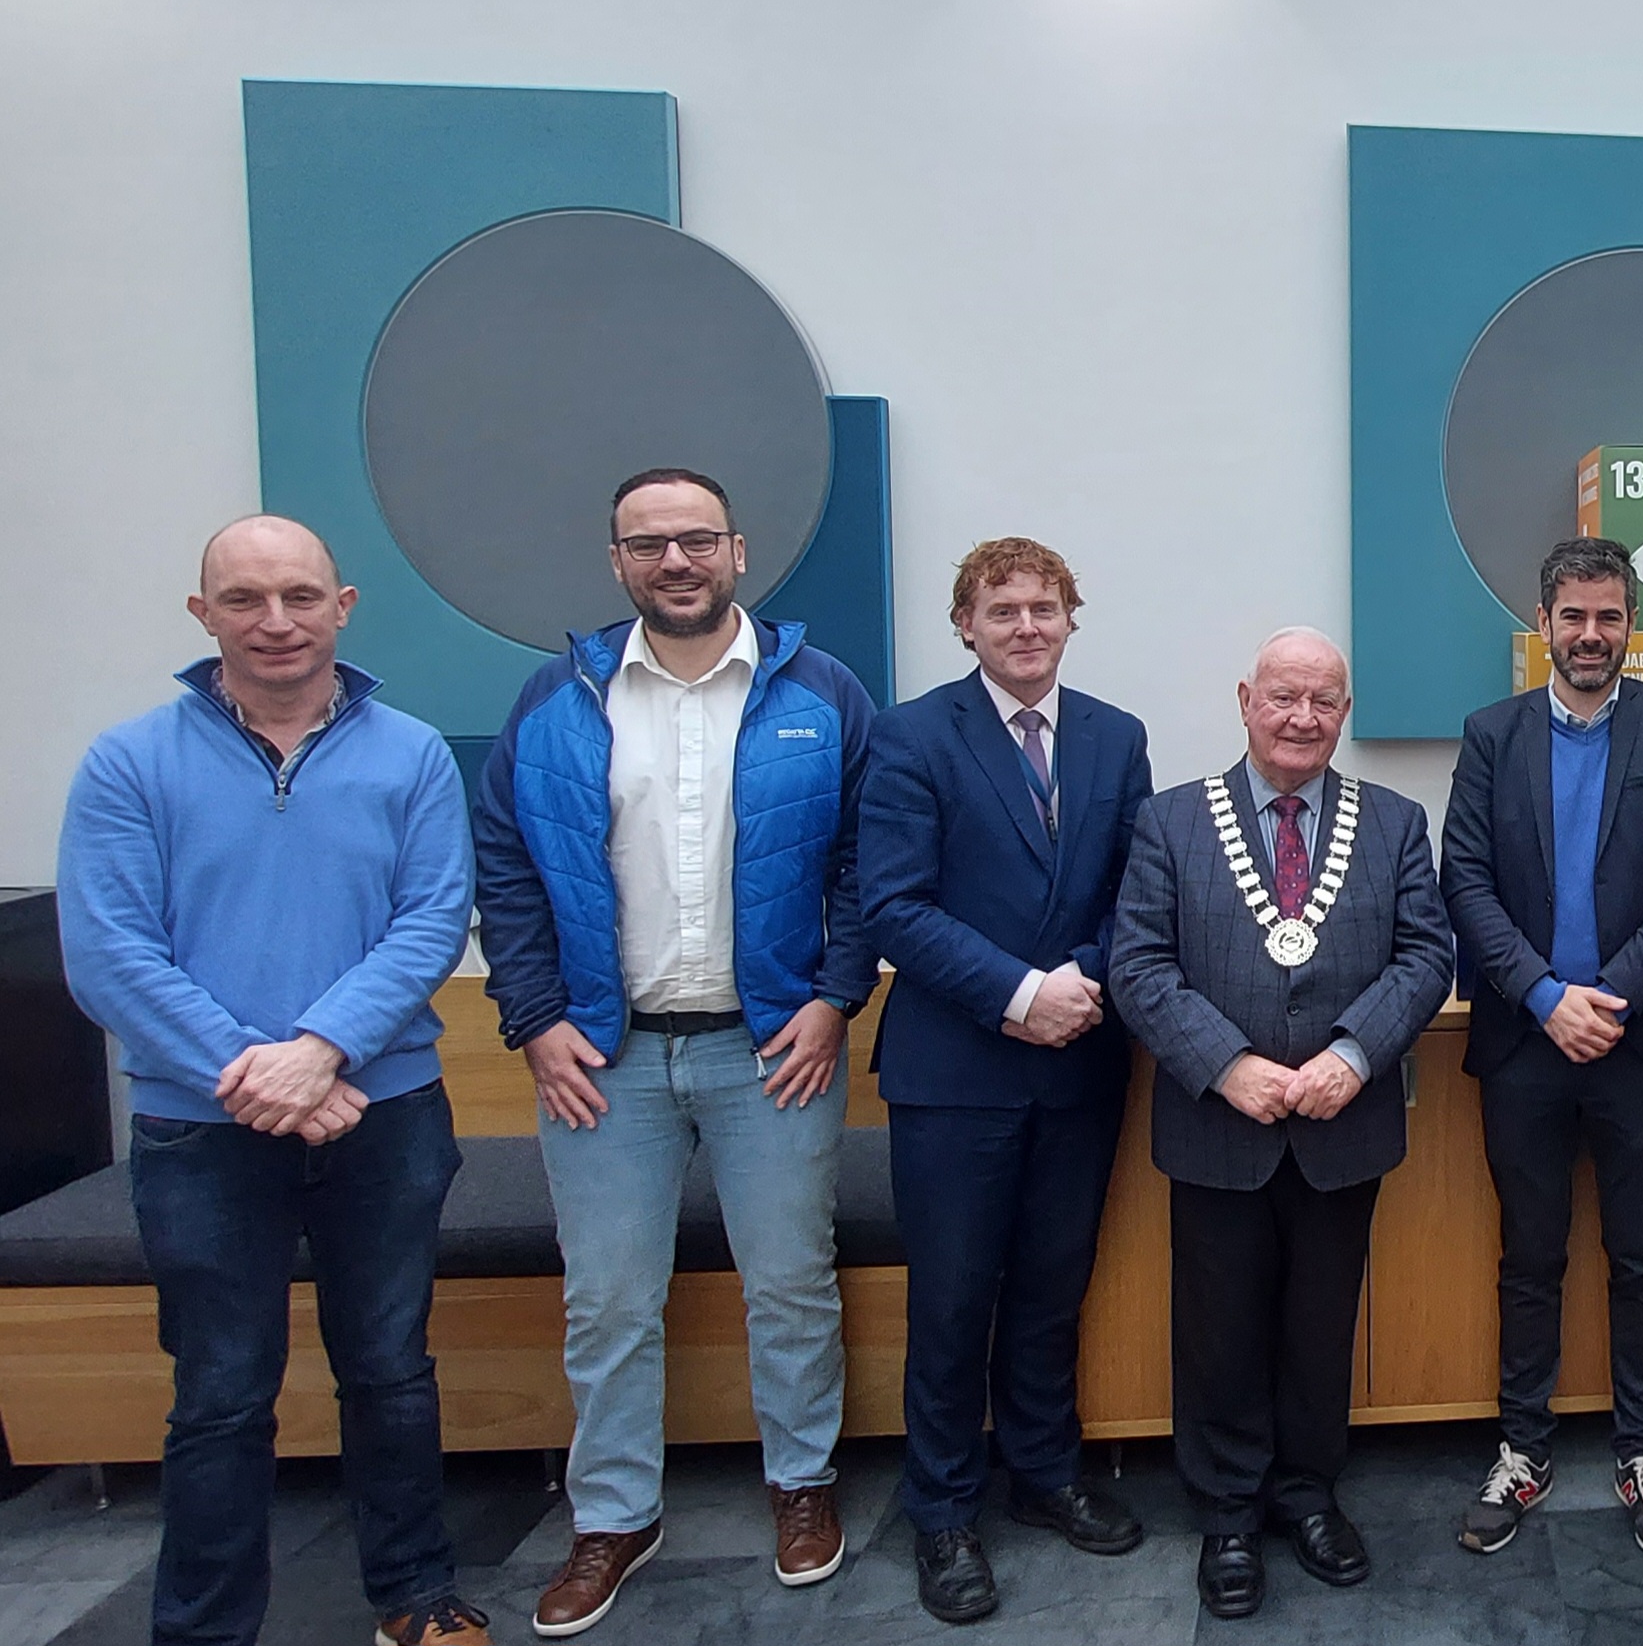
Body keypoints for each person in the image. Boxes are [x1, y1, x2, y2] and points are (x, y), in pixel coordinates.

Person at [57, 517, 487, 1646]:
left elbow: (434, 918)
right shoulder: (129, 761)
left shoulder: (410, 754)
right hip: (201, 1133)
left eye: (299, 595)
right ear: (201, 615)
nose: (276, 620)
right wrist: (258, 1071)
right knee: (220, 1394)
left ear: (344, 605)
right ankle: (202, 1629)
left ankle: (414, 1594)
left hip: (382, 1113)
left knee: (391, 1369)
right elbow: (110, 950)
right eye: (244, 599)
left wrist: (322, 1049)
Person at [472, 468, 880, 1638]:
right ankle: (613, 1514)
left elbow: (863, 862)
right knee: (607, 1298)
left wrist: (835, 997)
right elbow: (505, 866)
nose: (676, 559)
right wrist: (536, 1016)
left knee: (792, 1282)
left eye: (697, 538)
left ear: (739, 550)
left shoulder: (821, 691)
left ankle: (800, 1484)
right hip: (602, 1056)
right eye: (648, 543)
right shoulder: (558, 698)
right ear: (617, 562)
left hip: (773, 1051)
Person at [1109, 627, 1454, 1621]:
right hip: (1219, 1125)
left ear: (1344, 712)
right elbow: (1137, 962)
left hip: (1344, 1124)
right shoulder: (1170, 821)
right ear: (1245, 699)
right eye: (1283, 696)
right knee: (1218, 1327)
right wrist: (1226, 1065)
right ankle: (1225, 1510)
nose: (1302, 716)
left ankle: (1306, 1492)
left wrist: (1352, 1054)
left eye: (1323, 700)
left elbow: (1426, 954)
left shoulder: (1391, 821)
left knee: (1319, 1323)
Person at [855, 537, 1154, 1625]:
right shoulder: (910, 735)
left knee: (1048, 1287)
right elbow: (893, 902)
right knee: (951, 1300)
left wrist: (1078, 980)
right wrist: (1020, 992)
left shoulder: (1114, 736)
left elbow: (1141, 887)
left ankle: (1043, 1472)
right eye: (1002, 609)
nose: (1025, 626)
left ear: (1071, 618)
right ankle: (941, 1510)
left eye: (1043, 607)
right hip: (957, 1069)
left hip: (1080, 1061)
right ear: (965, 625)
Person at [1439, 537, 1643, 1559]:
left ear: (1631, 623)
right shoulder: (1491, 732)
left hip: (1639, 1043)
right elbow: (1463, 877)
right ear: (1543, 621)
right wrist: (1546, 994)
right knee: (1530, 1255)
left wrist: (1611, 996)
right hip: (1523, 1041)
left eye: (1609, 616)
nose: (1591, 633)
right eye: (1574, 616)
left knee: (1642, 1253)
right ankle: (1522, 1445)